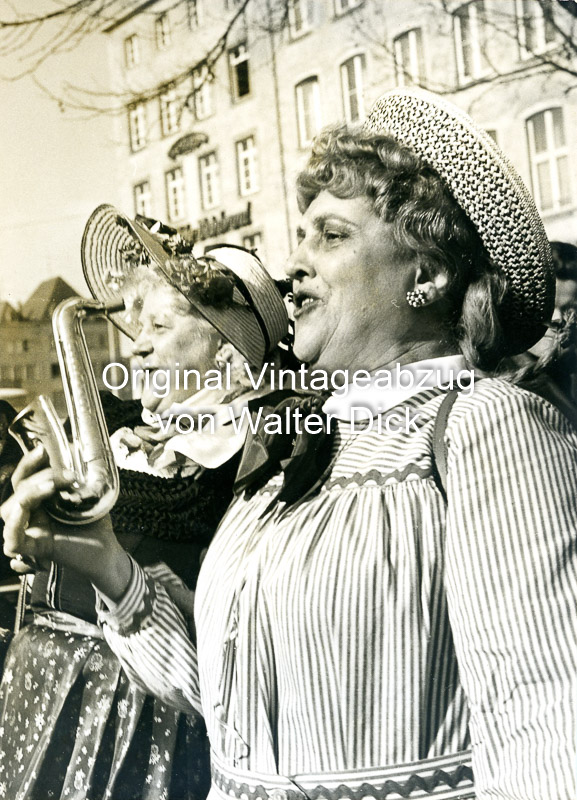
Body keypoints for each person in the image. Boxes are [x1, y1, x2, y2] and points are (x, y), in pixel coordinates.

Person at [3, 89, 577, 800]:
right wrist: (106, 565)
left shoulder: (486, 425)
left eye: (331, 236)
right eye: (299, 237)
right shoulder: (293, 449)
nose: (292, 263)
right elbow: (220, 700)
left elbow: (546, 714)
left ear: (425, 275)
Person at [0, 205, 288, 800]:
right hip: (46, 677)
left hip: (133, 708)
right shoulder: (123, 432)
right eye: (139, 330)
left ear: (229, 355)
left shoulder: (242, 456)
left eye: (160, 329)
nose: (136, 350)